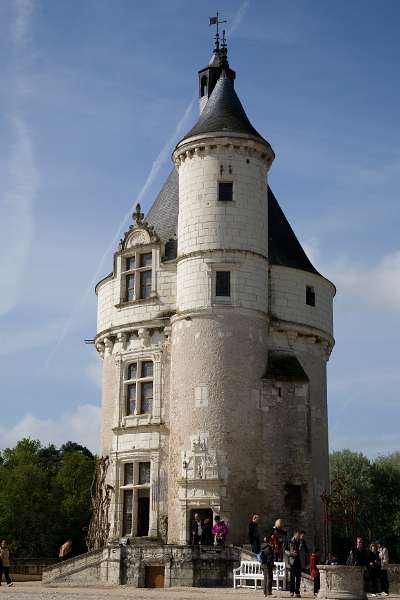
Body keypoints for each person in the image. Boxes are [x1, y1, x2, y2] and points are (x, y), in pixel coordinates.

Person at [287, 529, 302, 598]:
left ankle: (297, 592)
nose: (299, 536)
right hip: (292, 561)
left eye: (299, 535)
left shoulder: (300, 541)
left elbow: (303, 550)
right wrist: (292, 554)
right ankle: (291, 591)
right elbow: (285, 551)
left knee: (298, 577)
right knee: (292, 577)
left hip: (299, 560)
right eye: (298, 535)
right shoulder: (290, 541)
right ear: (295, 534)